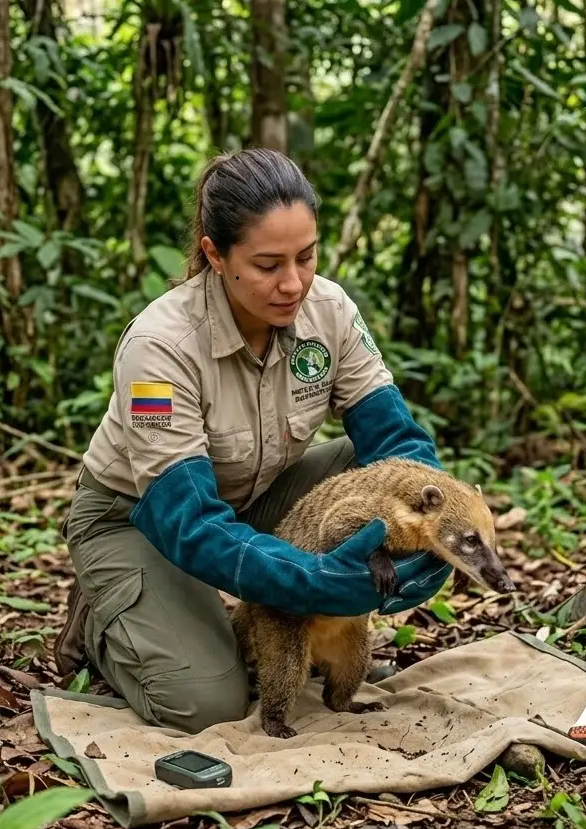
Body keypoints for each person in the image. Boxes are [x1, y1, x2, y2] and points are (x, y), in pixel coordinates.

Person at [55, 148, 452, 734]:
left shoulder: (330, 311)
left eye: (306, 256)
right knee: (204, 702)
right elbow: (188, 518)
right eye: (268, 265)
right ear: (216, 255)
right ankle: (103, 617)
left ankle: (243, 611)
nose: (293, 283)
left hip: (254, 498)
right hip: (143, 519)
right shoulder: (159, 349)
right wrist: (304, 578)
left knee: (391, 479)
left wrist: (431, 537)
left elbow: (396, 441)